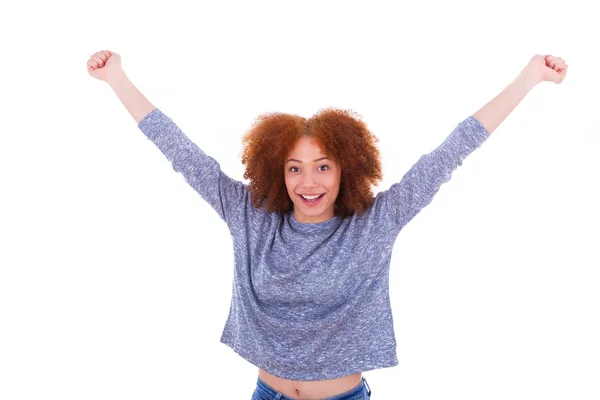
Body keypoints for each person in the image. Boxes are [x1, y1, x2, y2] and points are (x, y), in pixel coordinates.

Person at [87, 50, 567, 400]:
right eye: (294, 167)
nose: (308, 181)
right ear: (278, 169)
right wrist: (116, 79)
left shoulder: (376, 223)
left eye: (323, 166)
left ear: (346, 169)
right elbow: (180, 152)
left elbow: (451, 151)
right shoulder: (250, 216)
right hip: (265, 394)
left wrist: (529, 78)